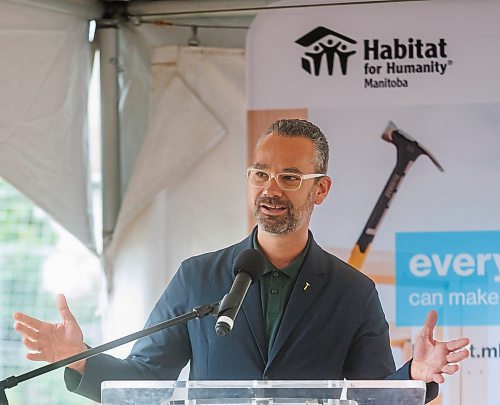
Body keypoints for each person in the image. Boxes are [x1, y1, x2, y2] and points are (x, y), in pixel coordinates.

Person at [13, 119, 469, 403]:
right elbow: (148, 378)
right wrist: (80, 360)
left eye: (290, 177)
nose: (270, 189)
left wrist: (416, 376)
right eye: (260, 174)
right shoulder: (199, 276)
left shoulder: (352, 291)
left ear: (320, 190)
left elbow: (373, 395)